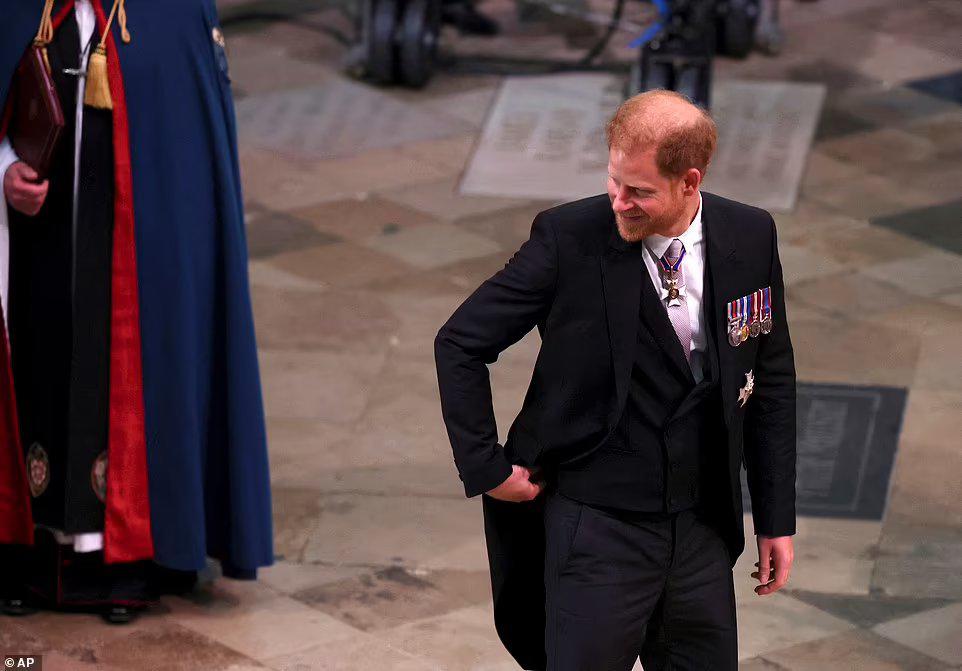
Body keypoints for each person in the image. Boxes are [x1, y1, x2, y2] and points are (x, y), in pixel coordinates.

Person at [435, 89, 797, 670]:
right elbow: (459, 342)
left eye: (640, 191)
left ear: (690, 181)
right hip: (596, 527)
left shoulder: (751, 236)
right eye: (613, 181)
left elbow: (771, 378)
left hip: (702, 527)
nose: (619, 202)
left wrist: (777, 518)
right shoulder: (567, 238)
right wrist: (486, 467)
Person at [0, 0, 272, 623]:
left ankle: (126, 565)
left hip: (135, 270)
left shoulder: (173, 17)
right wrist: (7, 170)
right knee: (36, 379)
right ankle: (23, 555)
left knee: (124, 382)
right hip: (30, 261)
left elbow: (190, 165)